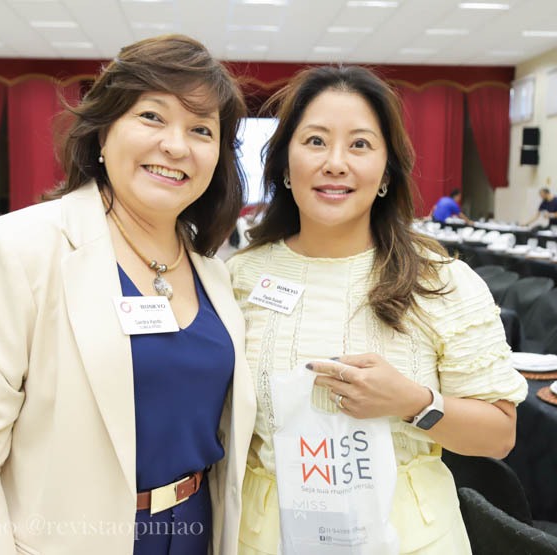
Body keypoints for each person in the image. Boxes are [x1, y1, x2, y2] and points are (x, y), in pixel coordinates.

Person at [0, 35, 256, 555]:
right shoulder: (18, 248)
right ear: (103, 131)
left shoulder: (214, 271)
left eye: (201, 129)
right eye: (152, 116)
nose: (176, 145)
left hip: (198, 529)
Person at [226, 66, 527, 554]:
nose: (335, 163)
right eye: (316, 141)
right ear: (284, 164)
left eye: (360, 144)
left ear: (387, 172)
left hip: (410, 539)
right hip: (263, 538)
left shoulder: (440, 280)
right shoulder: (240, 277)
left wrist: (413, 402)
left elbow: (499, 436)